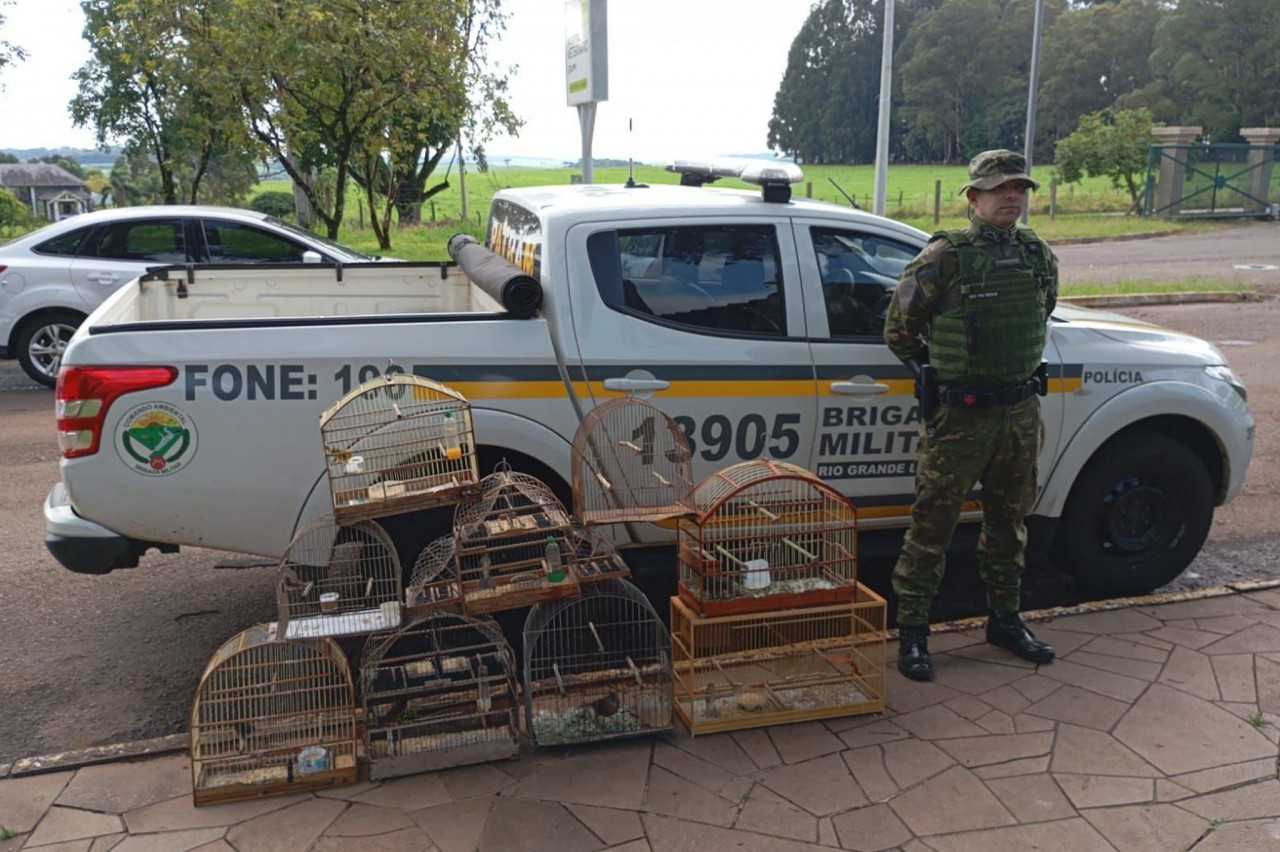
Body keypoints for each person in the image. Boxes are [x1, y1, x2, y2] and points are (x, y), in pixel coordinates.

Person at [883, 149, 1058, 681]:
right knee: (931, 526)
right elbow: (899, 330)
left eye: (1020, 188)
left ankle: (1004, 619)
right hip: (961, 418)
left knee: (1010, 523)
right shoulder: (944, 257)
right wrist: (938, 374)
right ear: (974, 197)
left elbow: (1043, 309)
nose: (1012, 196)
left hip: (1019, 411)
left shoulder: (1036, 253)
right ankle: (913, 632)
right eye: (1001, 188)